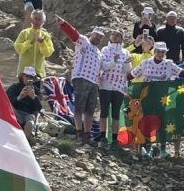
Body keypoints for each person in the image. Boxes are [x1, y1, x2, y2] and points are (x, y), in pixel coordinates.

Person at [56, 17, 104, 146]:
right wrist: (64, 23)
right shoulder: (83, 41)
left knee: (90, 110)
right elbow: (73, 34)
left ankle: (87, 134)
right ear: (91, 34)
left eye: (100, 37)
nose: (98, 38)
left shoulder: (99, 53)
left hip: (93, 82)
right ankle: (79, 132)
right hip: (81, 77)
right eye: (97, 35)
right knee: (79, 107)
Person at [98, 30, 131, 149]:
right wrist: (114, 61)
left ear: (122, 39)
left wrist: (127, 63)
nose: (116, 37)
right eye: (114, 35)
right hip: (106, 84)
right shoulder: (105, 50)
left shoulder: (126, 52)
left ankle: (115, 139)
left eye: (119, 35)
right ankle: (103, 137)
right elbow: (103, 66)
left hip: (119, 86)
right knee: (104, 111)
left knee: (116, 112)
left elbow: (126, 70)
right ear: (110, 37)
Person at [14, 9, 54, 78]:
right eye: (35, 19)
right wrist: (30, 42)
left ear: (43, 22)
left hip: (38, 73)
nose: (37, 21)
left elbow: (48, 53)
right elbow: (18, 49)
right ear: (31, 20)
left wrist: (42, 43)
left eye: (40, 19)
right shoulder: (24, 33)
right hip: (24, 73)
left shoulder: (46, 35)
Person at [8, 66, 43, 143]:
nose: (28, 79)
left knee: (30, 119)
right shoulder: (14, 87)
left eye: (31, 77)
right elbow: (6, 101)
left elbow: (39, 108)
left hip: (28, 114)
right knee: (11, 110)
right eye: (27, 76)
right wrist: (19, 97)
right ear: (23, 76)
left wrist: (34, 97)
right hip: (16, 112)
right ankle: (21, 129)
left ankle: (28, 132)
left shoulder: (36, 91)